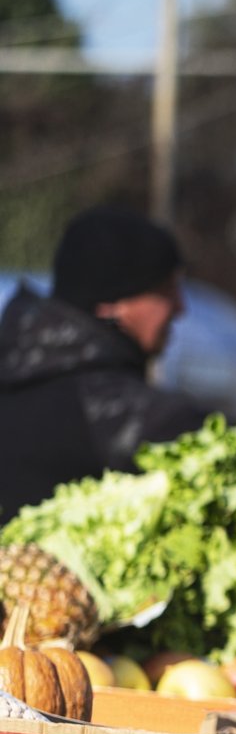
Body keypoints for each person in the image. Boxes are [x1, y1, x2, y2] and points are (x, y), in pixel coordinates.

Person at [0, 207, 209, 521]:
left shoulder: (14, 379)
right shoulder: (132, 415)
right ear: (113, 305)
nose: (179, 308)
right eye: (165, 290)